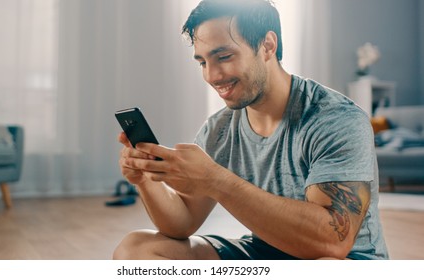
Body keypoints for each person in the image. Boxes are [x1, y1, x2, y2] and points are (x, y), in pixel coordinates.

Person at [113, 0, 388, 260]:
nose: (211, 75)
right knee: (136, 249)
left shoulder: (335, 118)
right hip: (266, 254)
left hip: (341, 261)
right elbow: (181, 223)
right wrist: (147, 178)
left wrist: (215, 179)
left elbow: (332, 241)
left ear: (267, 45)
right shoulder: (219, 129)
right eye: (202, 62)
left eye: (223, 56)